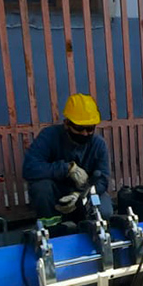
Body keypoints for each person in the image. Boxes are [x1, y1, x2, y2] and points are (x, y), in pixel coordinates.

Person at [22, 93, 112, 226]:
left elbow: (103, 180)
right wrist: (67, 168)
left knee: (105, 211)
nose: (84, 133)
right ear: (66, 124)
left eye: (90, 128)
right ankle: (52, 230)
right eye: (79, 128)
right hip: (56, 194)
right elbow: (30, 168)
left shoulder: (99, 144)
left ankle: (88, 230)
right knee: (41, 188)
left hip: (84, 193)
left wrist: (81, 195)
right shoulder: (49, 136)